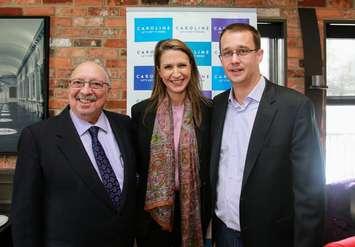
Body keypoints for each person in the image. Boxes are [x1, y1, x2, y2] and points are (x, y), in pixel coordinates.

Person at [210, 23, 325, 247]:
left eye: (242, 51)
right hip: (224, 233)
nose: (234, 59)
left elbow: (310, 191)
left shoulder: (294, 107)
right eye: (227, 53)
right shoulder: (217, 106)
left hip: (273, 237)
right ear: (221, 58)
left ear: (259, 55)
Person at [11, 61, 136, 247]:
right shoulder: (38, 137)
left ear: (108, 91)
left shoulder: (125, 126)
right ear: (69, 87)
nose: (86, 91)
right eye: (78, 82)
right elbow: (25, 213)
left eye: (96, 84)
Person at [131, 39, 211, 247]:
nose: (176, 74)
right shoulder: (141, 112)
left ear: (191, 67)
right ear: (159, 71)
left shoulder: (210, 110)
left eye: (182, 65)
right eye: (168, 66)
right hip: (153, 216)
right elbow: (138, 167)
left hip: (195, 211)